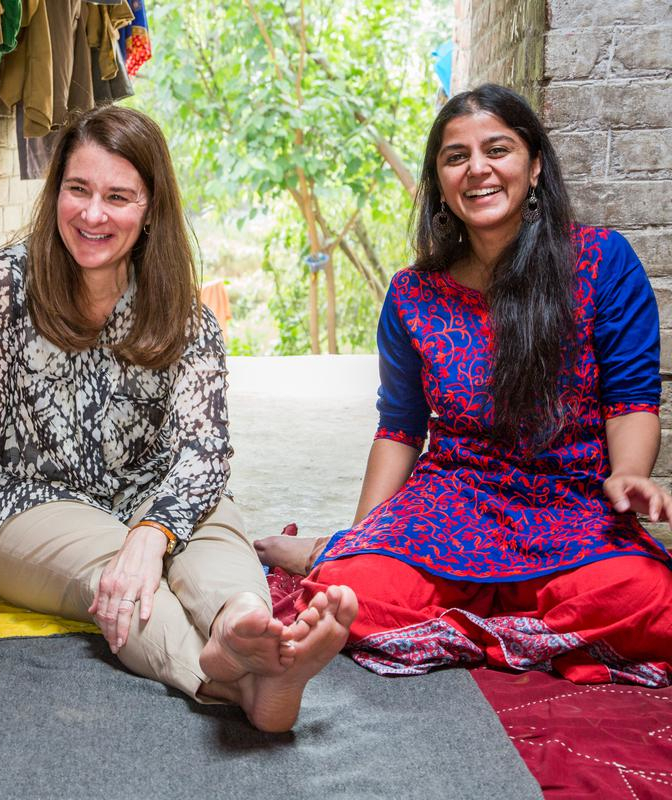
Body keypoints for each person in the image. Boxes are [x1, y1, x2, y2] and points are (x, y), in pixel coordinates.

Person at [256, 84, 672, 685]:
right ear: (441, 184)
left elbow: (631, 398)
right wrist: (359, 538)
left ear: (533, 168)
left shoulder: (603, 262)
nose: (477, 168)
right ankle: (517, 620)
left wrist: (629, 473)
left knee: (652, 601)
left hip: (571, 505)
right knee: (347, 593)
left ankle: (476, 616)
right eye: (455, 157)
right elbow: (399, 428)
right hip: (451, 503)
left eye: (497, 149)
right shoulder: (412, 295)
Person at [0, 105, 357, 732]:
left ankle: (245, 622)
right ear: (55, 190)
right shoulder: (7, 288)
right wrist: (135, 545)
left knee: (216, 525)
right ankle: (230, 678)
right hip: (31, 503)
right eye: (77, 190)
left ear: (150, 209)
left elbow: (205, 451)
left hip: (151, 489)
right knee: (113, 572)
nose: (92, 214)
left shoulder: (185, 316)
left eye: (118, 196)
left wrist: (153, 532)